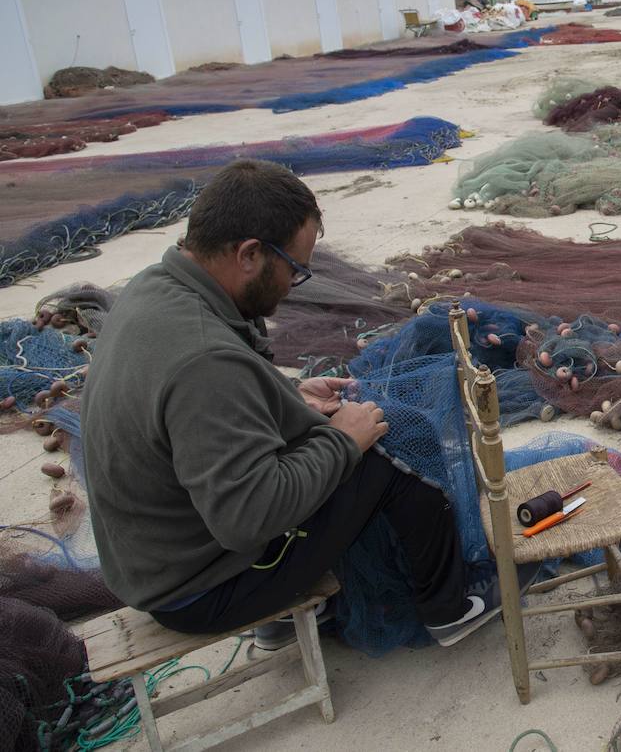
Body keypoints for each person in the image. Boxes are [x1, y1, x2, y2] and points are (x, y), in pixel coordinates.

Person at [81, 160, 494, 648]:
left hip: (157, 560)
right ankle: (447, 608)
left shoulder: (157, 286)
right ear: (250, 255)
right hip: (202, 589)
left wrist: (286, 396)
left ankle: (287, 618)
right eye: (295, 270)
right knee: (390, 455)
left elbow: (203, 413)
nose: (293, 284)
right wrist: (344, 442)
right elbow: (249, 518)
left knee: (335, 442)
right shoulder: (205, 361)